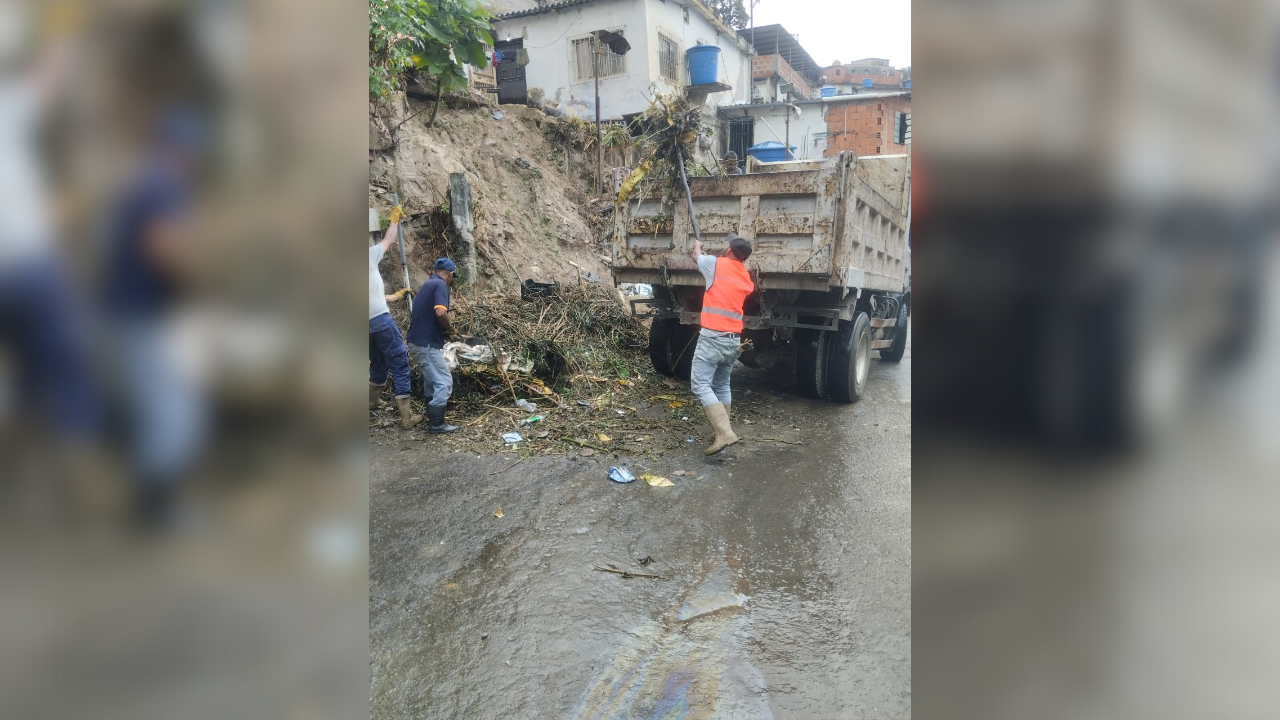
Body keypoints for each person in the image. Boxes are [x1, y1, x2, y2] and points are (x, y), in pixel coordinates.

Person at [690, 232, 754, 455]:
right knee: (721, 385)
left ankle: (725, 433)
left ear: (728, 250)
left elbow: (696, 256)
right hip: (733, 340)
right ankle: (722, 431)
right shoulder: (745, 277)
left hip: (712, 338)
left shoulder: (714, 264)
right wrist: (708, 259)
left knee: (700, 384)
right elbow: (715, 270)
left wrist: (698, 246)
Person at [369, 205, 421, 428]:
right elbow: (390, 239)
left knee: (378, 362)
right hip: (380, 321)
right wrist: (394, 219)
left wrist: (393, 296)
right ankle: (407, 418)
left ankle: (371, 401)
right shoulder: (368, 256)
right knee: (399, 363)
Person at [406, 258, 459, 434]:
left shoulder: (429, 283)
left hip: (417, 341)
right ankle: (436, 424)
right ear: (450, 274)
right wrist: (450, 328)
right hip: (425, 343)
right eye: (453, 277)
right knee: (444, 381)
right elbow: (441, 312)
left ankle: (433, 419)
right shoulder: (440, 285)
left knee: (432, 382)